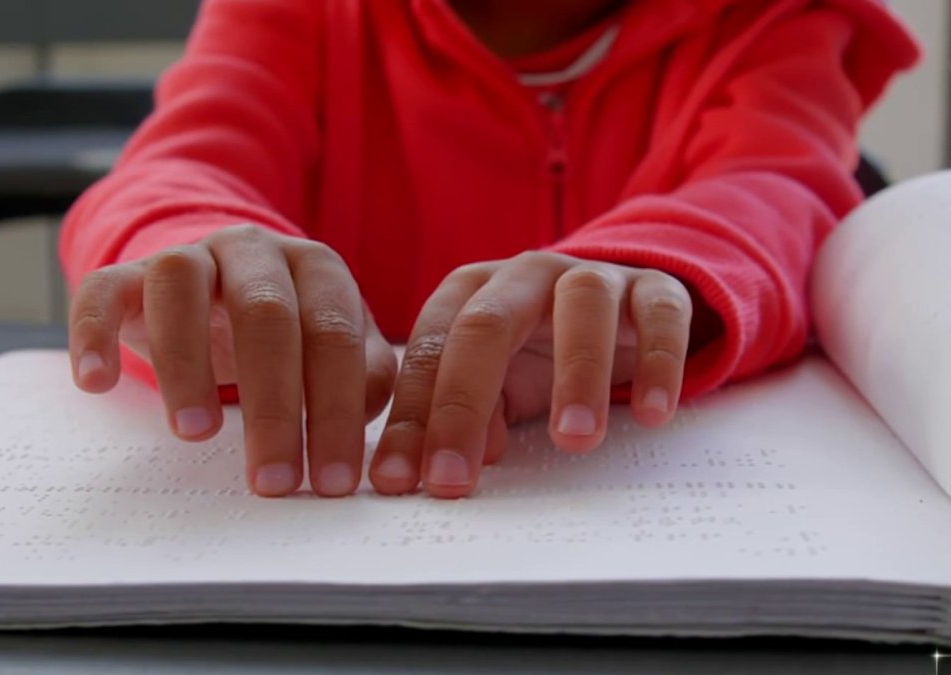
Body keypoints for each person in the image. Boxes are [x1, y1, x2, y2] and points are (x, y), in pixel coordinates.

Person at [59, 0, 919, 499]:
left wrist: (663, 273)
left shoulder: (777, 21)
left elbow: (783, 191)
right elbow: (178, 165)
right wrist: (198, 250)